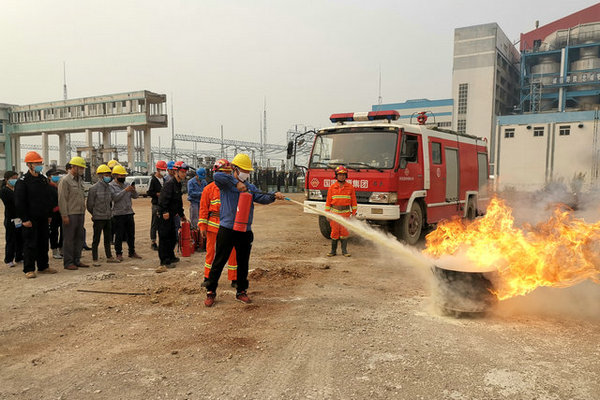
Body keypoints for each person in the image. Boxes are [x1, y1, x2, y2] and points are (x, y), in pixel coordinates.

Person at [204, 153, 285, 307]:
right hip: (227, 228)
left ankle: (241, 291)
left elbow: (262, 198)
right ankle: (211, 291)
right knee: (219, 261)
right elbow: (217, 176)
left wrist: (274, 196)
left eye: (248, 171)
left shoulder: (250, 187)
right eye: (244, 170)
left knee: (243, 262)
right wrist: (235, 184)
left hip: (244, 230)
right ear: (235, 169)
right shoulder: (226, 183)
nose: (246, 174)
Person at [14, 151, 57, 278]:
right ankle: (29, 269)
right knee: (30, 244)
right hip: (30, 219)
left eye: (40, 163)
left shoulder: (43, 179)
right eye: (36, 163)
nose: (39, 165)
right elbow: (19, 202)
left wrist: (49, 214)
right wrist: (25, 219)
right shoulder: (23, 181)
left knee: (43, 242)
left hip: (43, 217)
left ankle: (43, 266)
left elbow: (48, 198)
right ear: (29, 165)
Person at [198, 159, 237, 286]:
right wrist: (202, 226)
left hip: (230, 226)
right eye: (224, 173)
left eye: (228, 173)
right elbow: (203, 209)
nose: (227, 176)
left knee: (233, 253)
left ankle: (234, 278)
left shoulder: (234, 188)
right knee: (211, 253)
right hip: (213, 227)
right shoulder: (208, 189)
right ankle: (208, 277)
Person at [156, 162, 188, 272]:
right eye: (182, 172)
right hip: (165, 215)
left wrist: (182, 214)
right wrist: (164, 211)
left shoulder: (178, 184)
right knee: (165, 238)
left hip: (172, 215)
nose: (184, 174)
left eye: (185, 172)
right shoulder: (170, 184)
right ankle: (164, 260)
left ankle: (171, 256)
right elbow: (162, 199)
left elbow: (178, 202)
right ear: (176, 171)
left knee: (172, 237)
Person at [58, 157, 90, 270]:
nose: (82, 170)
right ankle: (68, 262)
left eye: (83, 168)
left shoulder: (79, 180)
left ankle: (77, 260)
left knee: (79, 238)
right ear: (74, 167)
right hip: (70, 214)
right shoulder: (65, 180)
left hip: (80, 212)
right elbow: (62, 199)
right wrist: (64, 215)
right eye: (80, 167)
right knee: (69, 239)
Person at [87, 165, 120, 266]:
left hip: (108, 217)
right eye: (106, 175)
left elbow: (112, 200)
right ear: (100, 176)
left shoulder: (109, 188)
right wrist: (94, 214)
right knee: (96, 239)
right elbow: (89, 205)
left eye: (109, 175)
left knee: (107, 238)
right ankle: (95, 259)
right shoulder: (94, 188)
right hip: (98, 218)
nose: (108, 177)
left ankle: (109, 256)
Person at [110, 165, 141, 261]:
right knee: (119, 235)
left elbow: (135, 196)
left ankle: (132, 251)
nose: (123, 177)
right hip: (118, 214)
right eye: (121, 175)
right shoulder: (111, 186)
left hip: (129, 213)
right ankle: (119, 253)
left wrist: (133, 189)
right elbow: (114, 198)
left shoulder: (127, 184)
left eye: (124, 175)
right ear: (115, 176)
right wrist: (125, 191)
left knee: (131, 234)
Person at [325, 165, 357, 257]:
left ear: (346, 176)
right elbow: (328, 202)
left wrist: (354, 213)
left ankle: (344, 251)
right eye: (339, 175)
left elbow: (354, 202)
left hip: (346, 214)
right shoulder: (332, 187)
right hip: (334, 214)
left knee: (344, 233)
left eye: (343, 175)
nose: (341, 176)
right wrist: (327, 214)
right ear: (336, 175)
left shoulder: (350, 187)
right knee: (334, 232)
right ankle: (333, 251)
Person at [1, 171, 23, 268]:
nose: (15, 180)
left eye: (16, 178)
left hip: (18, 218)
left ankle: (19, 257)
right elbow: (13, 203)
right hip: (11, 218)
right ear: (7, 179)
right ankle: (9, 259)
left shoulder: (16, 189)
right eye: (13, 178)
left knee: (19, 238)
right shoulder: (4, 190)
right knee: (11, 239)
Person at [148, 160, 168, 251]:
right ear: (157, 169)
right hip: (156, 204)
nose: (164, 171)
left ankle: (162, 241)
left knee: (162, 224)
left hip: (163, 204)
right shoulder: (153, 180)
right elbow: (149, 192)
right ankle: (153, 242)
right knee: (154, 223)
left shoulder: (164, 180)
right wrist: (157, 194)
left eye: (164, 169)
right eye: (162, 169)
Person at [46, 169, 63, 259]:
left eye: (57, 174)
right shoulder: (48, 188)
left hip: (62, 212)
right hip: (53, 214)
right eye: (54, 175)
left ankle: (61, 248)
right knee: (54, 232)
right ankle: (54, 250)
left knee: (63, 231)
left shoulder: (60, 186)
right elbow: (49, 202)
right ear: (49, 177)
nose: (57, 176)